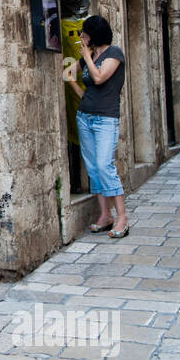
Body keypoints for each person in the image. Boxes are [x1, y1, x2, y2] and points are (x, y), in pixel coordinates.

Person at [63, 14, 128, 238]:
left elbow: (99, 78)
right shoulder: (89, 56)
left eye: (84, 33)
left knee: (104, 166)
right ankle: (105, 216)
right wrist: (82, 94)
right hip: (85, 117)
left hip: (106, 119)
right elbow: (68, 73)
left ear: (94, 35)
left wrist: (87, 57)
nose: (81, 37)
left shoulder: (114, 54)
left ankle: (122, 218)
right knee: (93, 168)